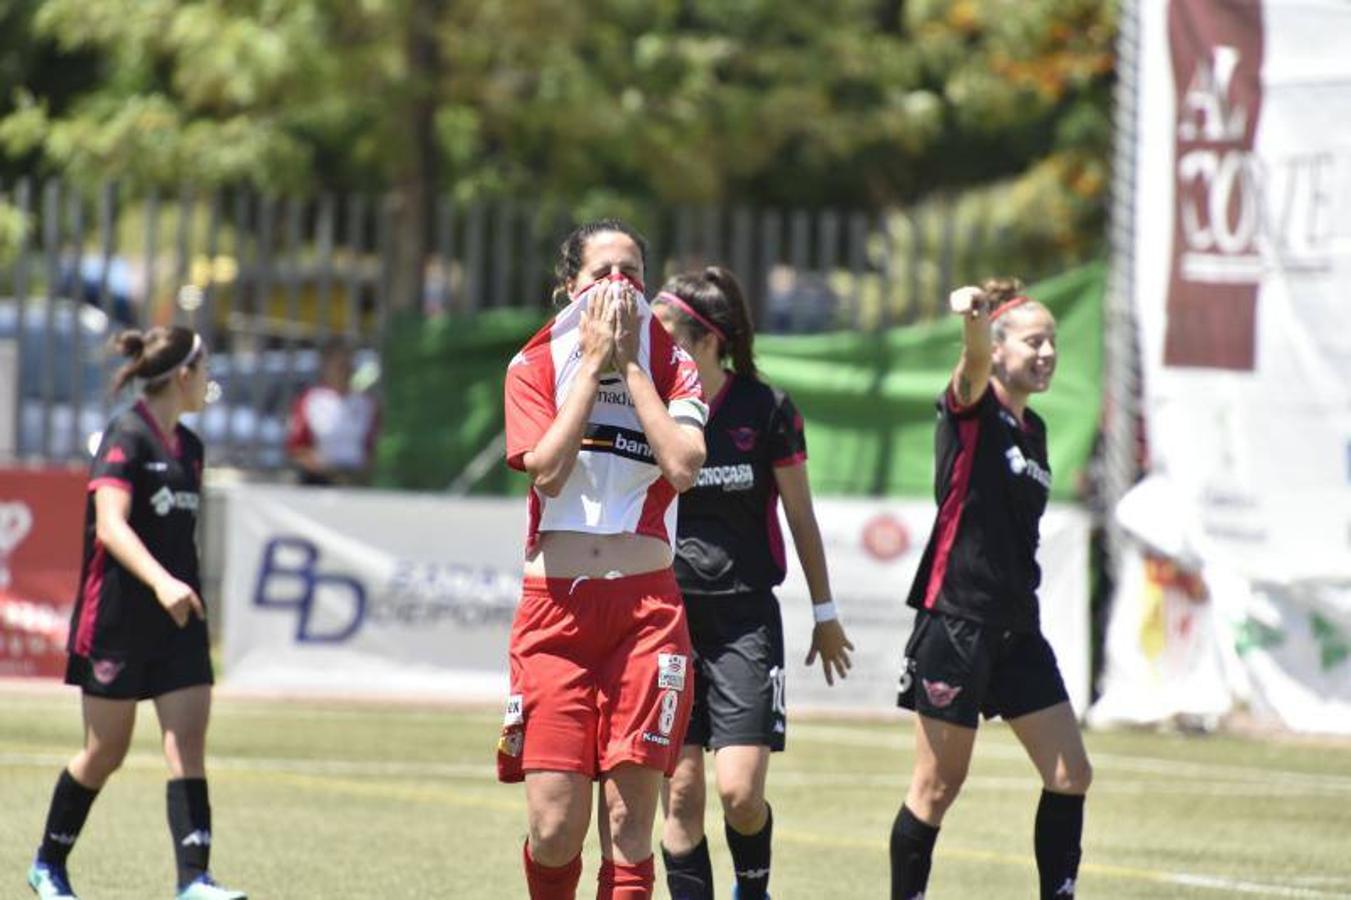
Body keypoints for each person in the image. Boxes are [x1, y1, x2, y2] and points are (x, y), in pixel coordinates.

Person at [499, 219, 709, 900]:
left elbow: (681, 466)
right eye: (602, 274)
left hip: (645, 612)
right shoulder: (532, 364)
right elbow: (547, 473)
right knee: (555, 826)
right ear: (569, 286)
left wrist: (633, 369)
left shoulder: (673, 364)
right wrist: (591, 365)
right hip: (555, 613)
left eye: (632, 274)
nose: (619, 288)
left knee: (628, 823)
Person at [651, 268, 854, 900]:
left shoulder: (766, 410)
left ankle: (753, 888)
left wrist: (825, 612)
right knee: (681, 793)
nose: (646, 338)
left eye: (661, 327)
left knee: (740, 793)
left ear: (705, 339)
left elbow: (800, 518)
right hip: (665, 619)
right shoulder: (648, 409)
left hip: (743, 623)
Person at [27, 326, 245, 900]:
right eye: (205, 371)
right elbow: (112, 525)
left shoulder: (191, 449)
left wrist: (181, 591)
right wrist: (162, 582)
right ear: (183, 375)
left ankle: (194, 879)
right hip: (120, 619)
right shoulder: (126, 435)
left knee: (187, 743)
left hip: (178, 620)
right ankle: (48, 862)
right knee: (106, 751)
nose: (208, 383)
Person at [891, 279, 1092, 900]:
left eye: (1053, 341)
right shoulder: (971, 410)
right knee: (937, 785)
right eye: (1035, 341)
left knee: (1070, 773)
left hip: (1015, 626)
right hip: (956, 620)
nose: (1048, 352)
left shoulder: (1034, 433)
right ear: (1000, 350)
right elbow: (972, 364)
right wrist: (974, 322)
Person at [285, 338, 379, 486]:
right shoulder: (311, 400)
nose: (345, 371)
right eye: (339, 366)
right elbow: (297, 446)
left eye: (348, 365)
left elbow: (373, 446)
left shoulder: (365, 403)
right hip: (320, 480)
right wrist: (326, 470)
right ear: (326, 366)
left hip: (356, 480)